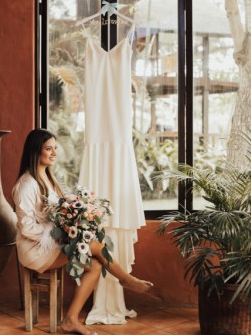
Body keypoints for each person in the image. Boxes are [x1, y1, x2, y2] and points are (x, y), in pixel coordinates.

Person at [13, 128, 153, 335]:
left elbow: (60, 212)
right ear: (35, 151)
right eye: (48, 149)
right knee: (94, 245)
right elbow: (26, 227)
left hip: (53, 241)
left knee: (95, 265)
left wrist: (76, 221)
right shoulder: (26, 185)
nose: (53, 153)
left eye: (55, 149)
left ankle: (70, 320)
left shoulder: (48, 178)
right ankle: (125, 278)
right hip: (35, 248)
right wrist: (57, 232)